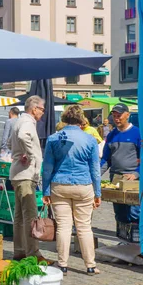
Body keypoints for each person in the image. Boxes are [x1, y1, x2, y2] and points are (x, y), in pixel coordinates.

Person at [42, 105, 101, 275]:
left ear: (64, 119)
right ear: (82, 119)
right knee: (84, 227)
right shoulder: (89, 139)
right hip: (83, 185)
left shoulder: (53, 139)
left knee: (63, 227)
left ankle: (62, 264)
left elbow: (47, 168)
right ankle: (90, 265)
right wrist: (97, 193)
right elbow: (95, 170)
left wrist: (45, 190)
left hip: (59, 184)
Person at [8, 96, 52, 264]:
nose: (42, 112)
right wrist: (32, 154)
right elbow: (23, 135)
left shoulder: (17, 121)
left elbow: (11, 141)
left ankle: (19, 250)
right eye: (42, 109)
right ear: (34, 109)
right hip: (25, 174)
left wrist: (21, 152)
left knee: (19, 216)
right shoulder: (27, 122)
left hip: (18, 173)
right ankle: (34, 253)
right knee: (30, 216)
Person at [100, 103, 141, 224]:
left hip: (132, 179)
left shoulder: (137, 133)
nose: (116, 118)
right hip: (116, 179)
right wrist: (96, 174)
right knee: (119, 213)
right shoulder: (112, 135)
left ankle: (136, 240)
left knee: (134, 212)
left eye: (119, 115)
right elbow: (106, 159)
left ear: (127, 115)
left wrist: (136, 174)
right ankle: (123, 239)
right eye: (114, 115)